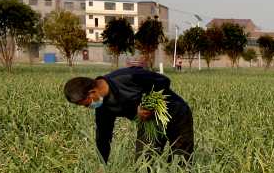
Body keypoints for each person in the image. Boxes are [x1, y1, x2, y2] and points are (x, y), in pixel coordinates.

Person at [63, 67, 194, 163]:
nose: (87, 107)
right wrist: (102, 164)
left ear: (92, 92)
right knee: (144, 163)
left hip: (176, 114)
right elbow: (103, 136)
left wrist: (146, 104)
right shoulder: (103, 108)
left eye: (85, 104)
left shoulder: (128, 76)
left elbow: (163, 81)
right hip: (150, 123)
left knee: (181, 159)